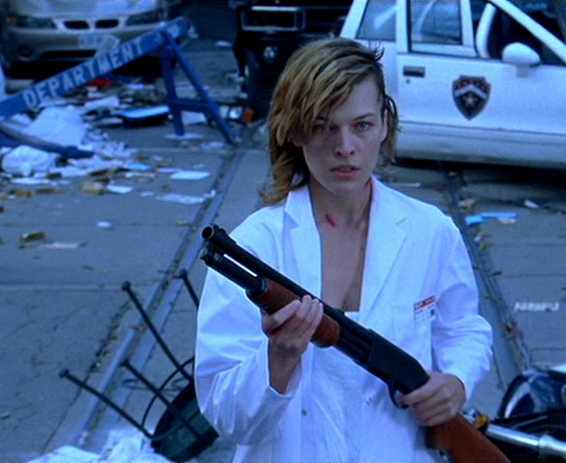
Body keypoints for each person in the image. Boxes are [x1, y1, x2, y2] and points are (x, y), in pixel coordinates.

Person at [194, 37, 493, 463]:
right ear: (294, 131)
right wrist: (279, 358)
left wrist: (457, 381)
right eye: (323, 126)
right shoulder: (255, 246)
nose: (345, 147)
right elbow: (226, 417)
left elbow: (463, 327)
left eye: (362, 125)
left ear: (385, 124)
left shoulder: (431, 231)